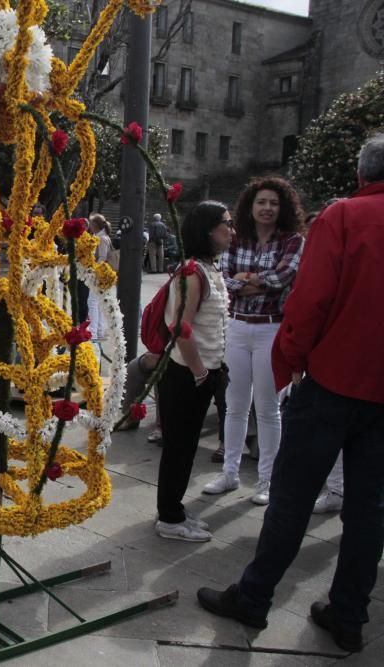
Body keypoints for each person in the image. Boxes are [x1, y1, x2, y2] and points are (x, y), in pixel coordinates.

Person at [197, 135, 384, 654]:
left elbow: (309, 300)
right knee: (369, 510)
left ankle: (253, 599)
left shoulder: (343, 217)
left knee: (291, 499)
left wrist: (291, 363)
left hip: (331, 381)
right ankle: (349, 615)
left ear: (361, 172)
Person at [203, 177, 304, 505]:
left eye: (273, 203)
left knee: (268, 408)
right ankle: (229, 473)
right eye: (262, 202)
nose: (267, 208)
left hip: (270, 330)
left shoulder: (291, 241)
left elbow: (284, 276)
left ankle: (266, 480)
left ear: (282, 208)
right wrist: (254, 282)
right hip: (237, 326)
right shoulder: (236, 238)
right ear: (251, 205)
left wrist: (248, 280)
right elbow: (222, 277)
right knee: (234, 405)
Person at [154, 201, 233, 542]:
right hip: (188, 374)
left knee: (184, 448)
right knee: (179, 448)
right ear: (207, 230)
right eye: (226, 224)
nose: (232, 230)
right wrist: (201, 372)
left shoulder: (208, 268)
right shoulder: (192, 272)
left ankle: (174, 509)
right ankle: (169, 518)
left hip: (203, 371)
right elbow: (181, 328)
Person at [87, 213, 115, 343]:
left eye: (91, 224)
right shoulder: (102, 236)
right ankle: (98, 330)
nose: (90, 226)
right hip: (101, 272)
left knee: (93, 301)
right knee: (98, 302)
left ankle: (93, 332)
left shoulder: (101, 238)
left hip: (100, 273)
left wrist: (95, 270)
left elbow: (102, 257)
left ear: (95, 225)